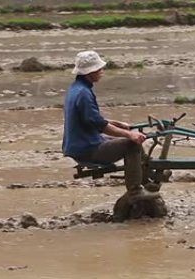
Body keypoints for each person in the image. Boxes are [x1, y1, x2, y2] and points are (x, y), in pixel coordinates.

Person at [62, 50, 158, 201]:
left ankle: (148, 175)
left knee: (131, 140)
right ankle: (135, 191)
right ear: (90, 72)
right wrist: (129, 134)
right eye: (99, 69)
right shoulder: (84, 94)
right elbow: (101, 126)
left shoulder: (76, 89)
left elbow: (91, 119)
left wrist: (117, 124)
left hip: (82, 143)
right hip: (87, 149)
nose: (102, 71)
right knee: (132, 145)